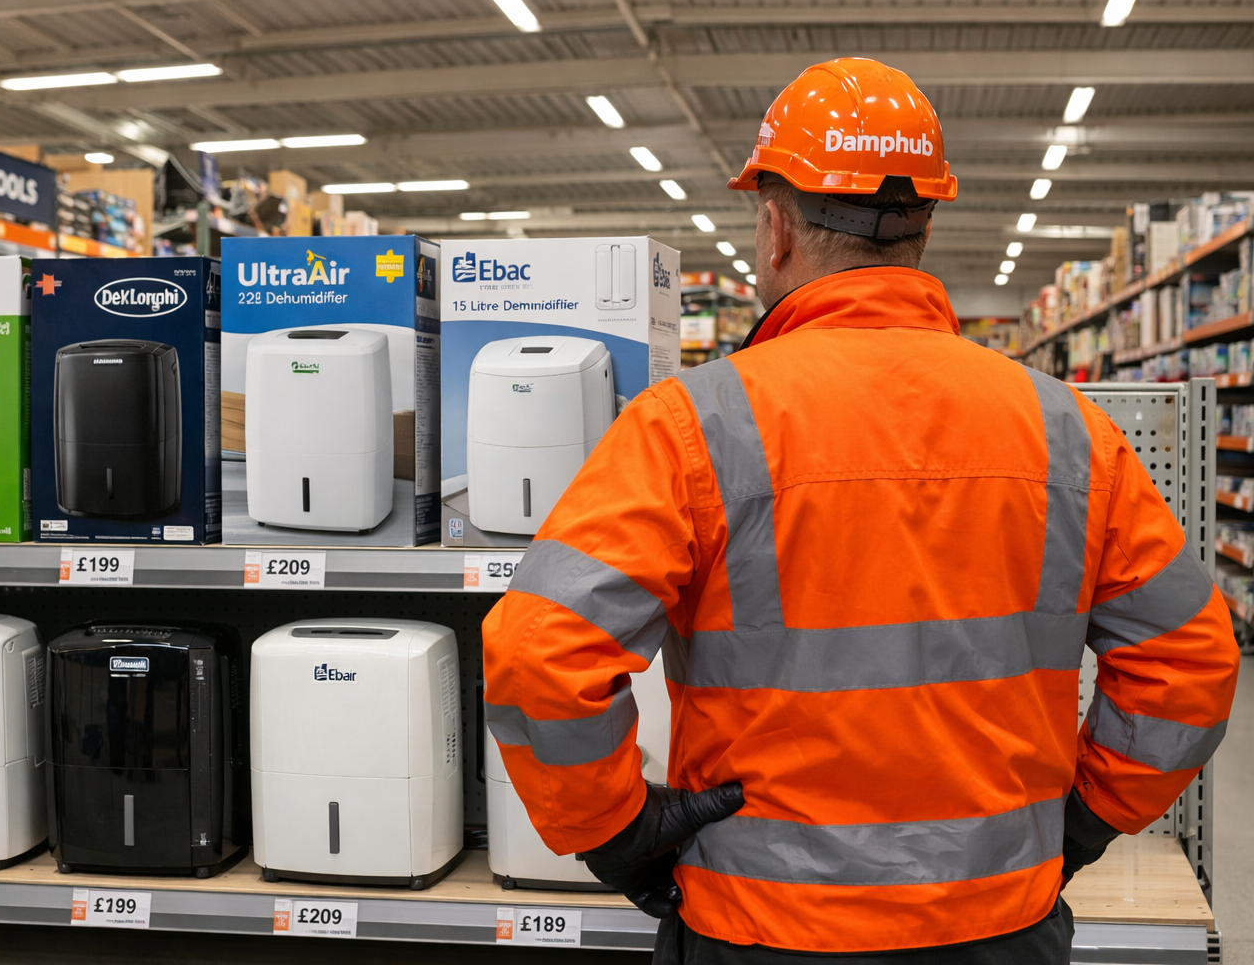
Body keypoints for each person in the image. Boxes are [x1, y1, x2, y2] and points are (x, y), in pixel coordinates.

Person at [480, 57, 1239, 963]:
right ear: (922, 224)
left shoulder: (692, 424)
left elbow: (537, 654)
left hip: (760, 928)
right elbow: (1190, 661)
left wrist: (614, 830)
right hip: (999, 928)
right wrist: (1082, 823)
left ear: (774, 228)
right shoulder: (1067, 430)